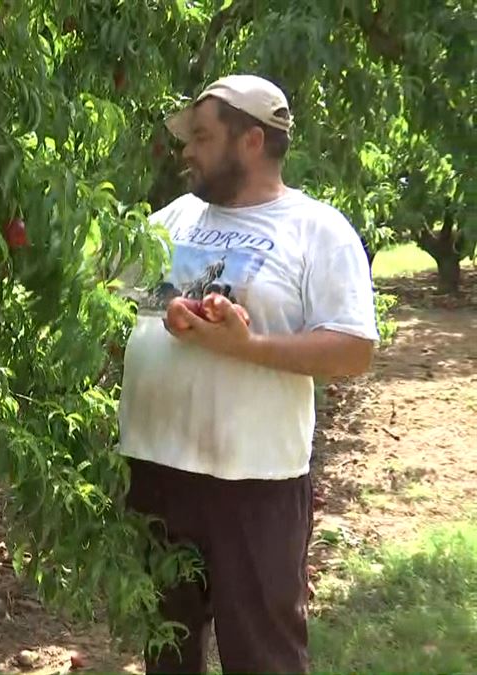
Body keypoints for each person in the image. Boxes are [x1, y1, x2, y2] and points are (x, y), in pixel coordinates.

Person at [117, 74, 380, 673]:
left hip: (254, 483)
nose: (187, 151)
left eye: (204, 137)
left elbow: (354, 350)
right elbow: (107, 294)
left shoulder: (316, 230)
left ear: (252, 142)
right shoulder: (176, 216)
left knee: (262, 654)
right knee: (166, 651)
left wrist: (247, 345)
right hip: (157, 472)